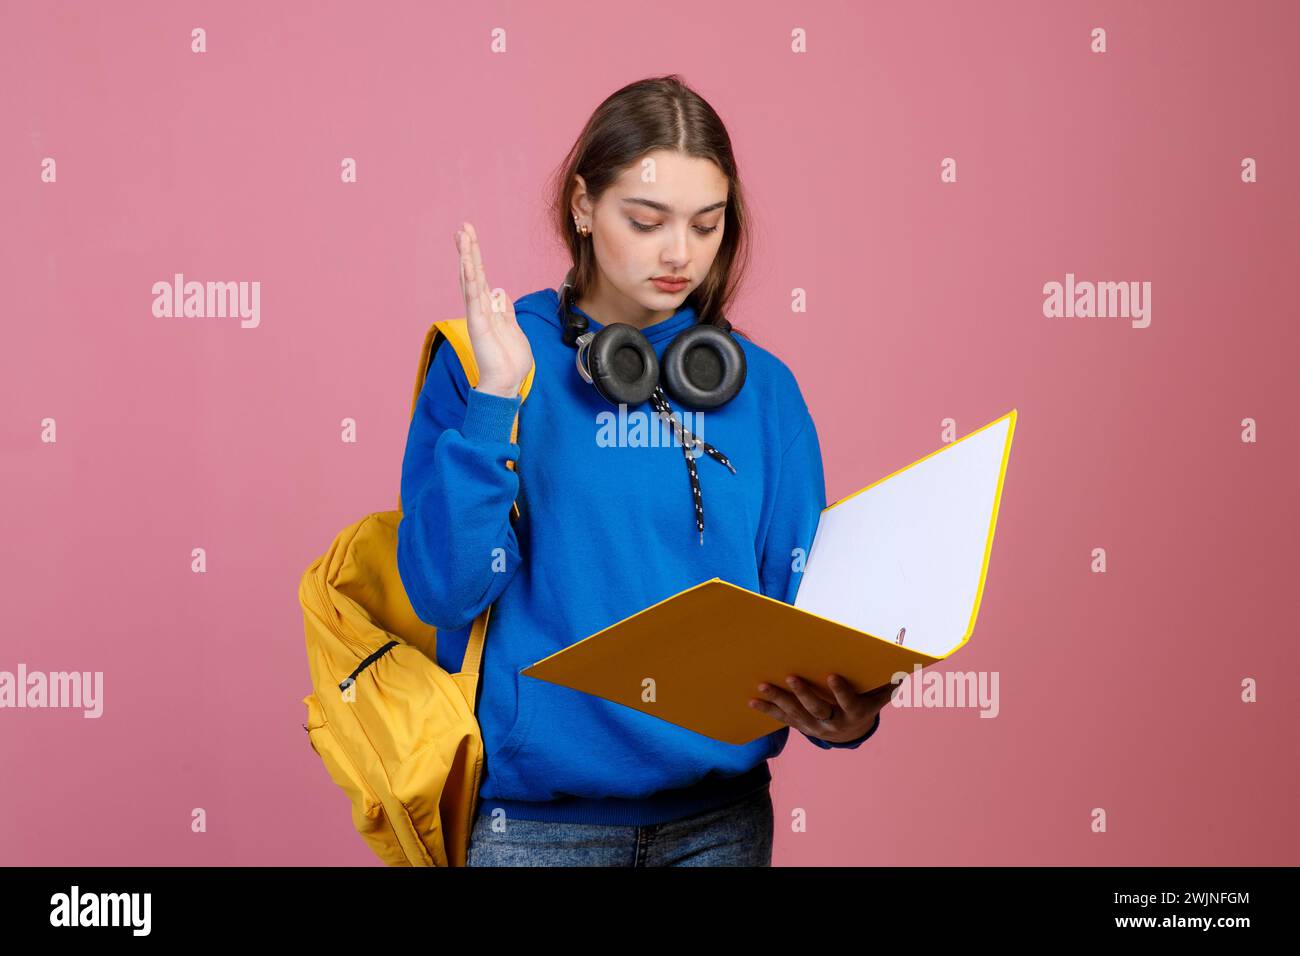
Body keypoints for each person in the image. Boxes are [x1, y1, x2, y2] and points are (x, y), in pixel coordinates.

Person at [397, 75, 893, 867]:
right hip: (537, 832)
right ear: (583, 206)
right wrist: (496, 401)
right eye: (647, 220)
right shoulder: (492, 361)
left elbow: (805, 617)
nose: (679, 254)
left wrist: (849, 712)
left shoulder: (762, 390)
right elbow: (443, 589)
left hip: (721, 828)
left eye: (707, 224)